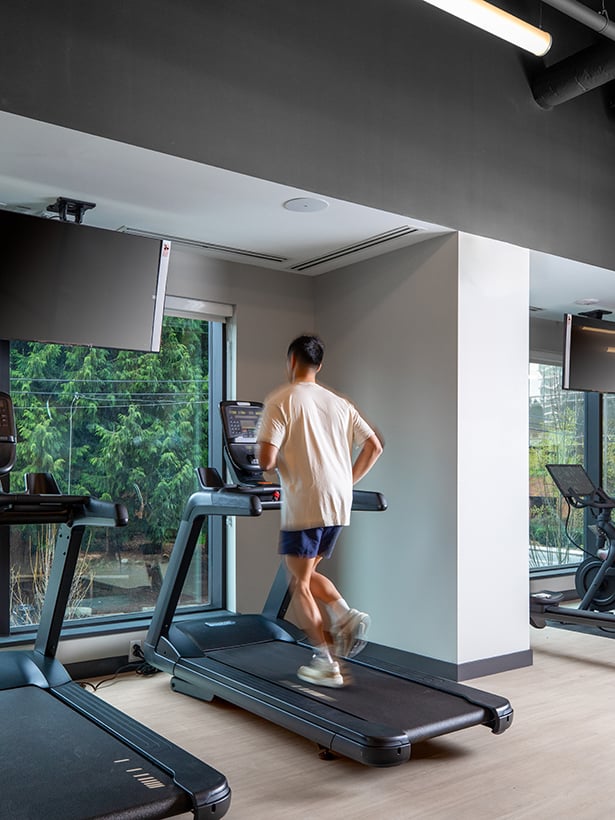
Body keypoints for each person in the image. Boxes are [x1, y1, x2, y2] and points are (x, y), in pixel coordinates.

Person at [257, 334, 383, 688]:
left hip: (307, 503)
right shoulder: (339, 403)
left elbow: (266, 460)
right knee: (306, 572)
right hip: (337, 505)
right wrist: (346, 482)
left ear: (291, 362)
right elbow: (373, 446)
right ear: (319, 365)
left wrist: (273, 463)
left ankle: (326, 662)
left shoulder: (281, 399)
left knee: (298, 582)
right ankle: (345, 615)